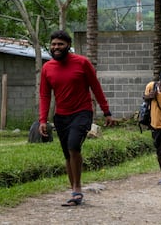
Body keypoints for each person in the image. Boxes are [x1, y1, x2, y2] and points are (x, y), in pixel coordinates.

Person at [38, 30, 114, 207]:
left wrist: (106, 111)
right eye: (54, 44)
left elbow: (95, 87)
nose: (56, 47)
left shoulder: (82, 63)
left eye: (60, 44)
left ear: (68, 46)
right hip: (61, 116)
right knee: (67, 153)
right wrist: (42, 120)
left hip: (82, 112)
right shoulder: (47, 68)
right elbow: (44, 96)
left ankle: (78, 188)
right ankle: (73, 190)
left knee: (73, 146)